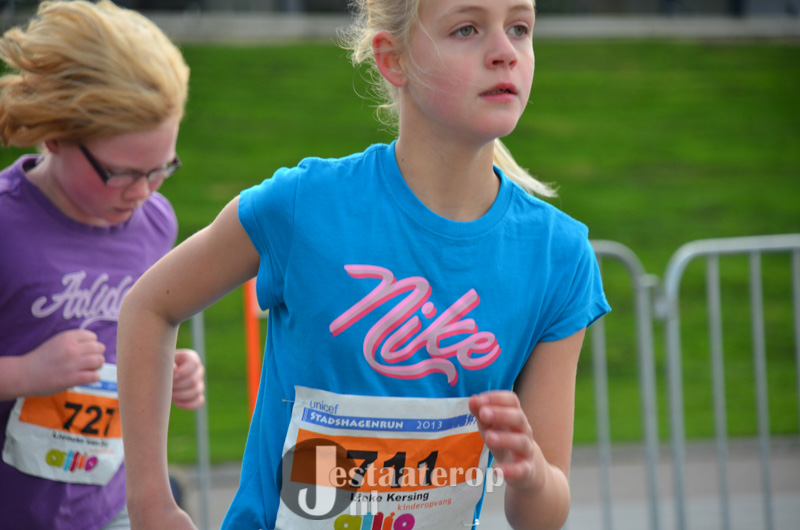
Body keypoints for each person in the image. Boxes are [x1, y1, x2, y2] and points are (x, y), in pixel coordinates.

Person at [118, 0, 610, 528]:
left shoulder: (560, 256)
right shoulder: (304, 206)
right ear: (393, 59)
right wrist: (151, 504)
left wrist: (530, 473)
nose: (504, 52)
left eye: (519, 28)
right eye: (467, 29)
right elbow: (149, 306)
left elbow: (543, 514)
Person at [0, 2, 205, 530]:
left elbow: (132, 341)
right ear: (55, 136)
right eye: (121, 174)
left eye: (161, 170)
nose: (142, 193)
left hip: (104, 508)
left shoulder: (155, 223)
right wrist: (23, 374)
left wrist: (166, 370)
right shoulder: (6, 225)